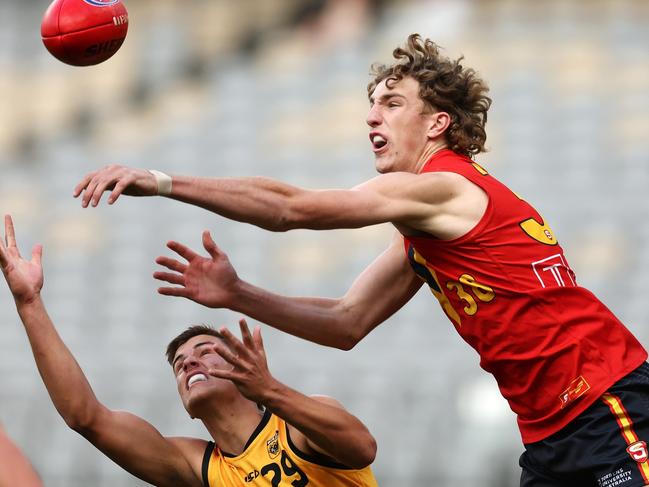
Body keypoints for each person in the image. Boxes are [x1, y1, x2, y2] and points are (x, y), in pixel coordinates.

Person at [73, 33, 649, 486]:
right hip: (550, 436)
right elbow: (347, 322)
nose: (373, 116)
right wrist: (238, 293)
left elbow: (291, 209)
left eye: (392, 103)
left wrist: (164, 181)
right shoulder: (428, 229)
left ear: (437, 123)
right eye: (371, 105)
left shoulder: (445, 186)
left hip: (606, 402)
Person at [0, 215, 378, 486]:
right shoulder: (197, 467)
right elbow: (86, 418)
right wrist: (29, 303)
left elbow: (362, 447)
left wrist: (269, 390)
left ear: (241, 363)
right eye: (179, 365)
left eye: (205, 350)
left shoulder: (297, 425)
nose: (189, 363)